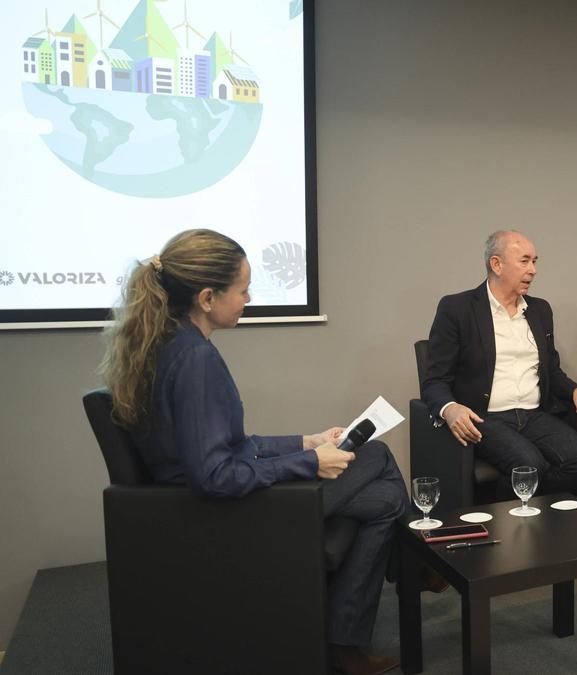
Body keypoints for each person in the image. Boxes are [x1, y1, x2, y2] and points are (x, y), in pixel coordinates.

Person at [100, 229, 404, 675]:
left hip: (200, 503)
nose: (249, 298)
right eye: (242, 290)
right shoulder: (196, 361)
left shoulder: (169, 344)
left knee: (387, 501)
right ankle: (397, 583)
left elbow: (229, 445)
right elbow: (214, 476)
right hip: (221, 517)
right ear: (207, 297)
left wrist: (308, 441)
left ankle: (351, 636)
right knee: (375, 459)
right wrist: (309, 464)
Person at [420, 230, 577, 500]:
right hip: (486, 418)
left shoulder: (540, 310)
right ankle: (502, 521)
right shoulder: (458, 308)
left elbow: (551, 370)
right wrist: (450, 408)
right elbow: (434, 380)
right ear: (496, 264)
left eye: (535, 261)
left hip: (533, 415)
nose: (533, 270)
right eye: (525, 261)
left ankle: (523, 512)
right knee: (530, 466)